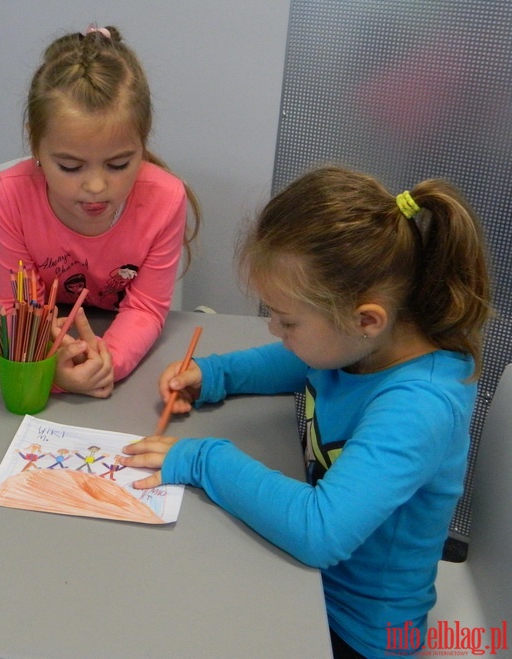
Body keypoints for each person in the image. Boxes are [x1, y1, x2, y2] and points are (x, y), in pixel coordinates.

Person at [121, 166, 491, 658]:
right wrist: (216, 376)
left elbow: (320, 533)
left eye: (288, 320)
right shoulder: (369, 340)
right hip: (306, 583)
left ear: (365, 319)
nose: (274, 330)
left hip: (358, 632)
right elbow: (300, 361)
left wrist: (203, 459)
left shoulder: (417, 409)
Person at [0, 24, 201, 398]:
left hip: (111, 341)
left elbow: (147, 308)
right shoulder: (10, 195)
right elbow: (19, 305)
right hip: (49, 340)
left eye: (119, 164)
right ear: (35, 144)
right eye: (70, 167)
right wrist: (51, 363)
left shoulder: (166, 198)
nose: (97, 187)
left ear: (143, 141)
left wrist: (107, 361)